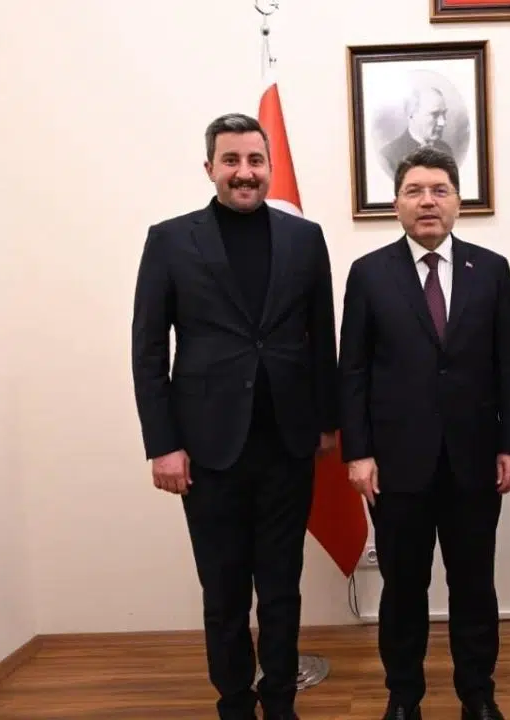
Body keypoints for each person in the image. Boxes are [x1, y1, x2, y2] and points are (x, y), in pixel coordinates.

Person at [130, 112, 340, 720]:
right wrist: (162, 444)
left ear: (269, 167)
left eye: (255, 160)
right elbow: (148, 350)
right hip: (207, 450)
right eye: (231, 161)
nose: (244, 173)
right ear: (210, 168)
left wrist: (328, 423)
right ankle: (233, 704)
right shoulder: (170, 240)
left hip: (288, 445)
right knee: (223, 593)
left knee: (281, 590)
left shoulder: (306, 238)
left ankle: (281, 703)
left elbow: (321, 337)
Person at [338, 146, 510, 720]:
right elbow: (353, 371)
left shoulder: (490, 269)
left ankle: (478, 694)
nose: (427, 201)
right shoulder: (369, 273)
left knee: (475, 586)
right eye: (415, 191)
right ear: (396, 203)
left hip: (475, 459)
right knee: (403, 588)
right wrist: (358, 453)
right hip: (395, 465)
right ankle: (404, 696)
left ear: (458, 202)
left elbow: (508, 363)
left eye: (439, 190)